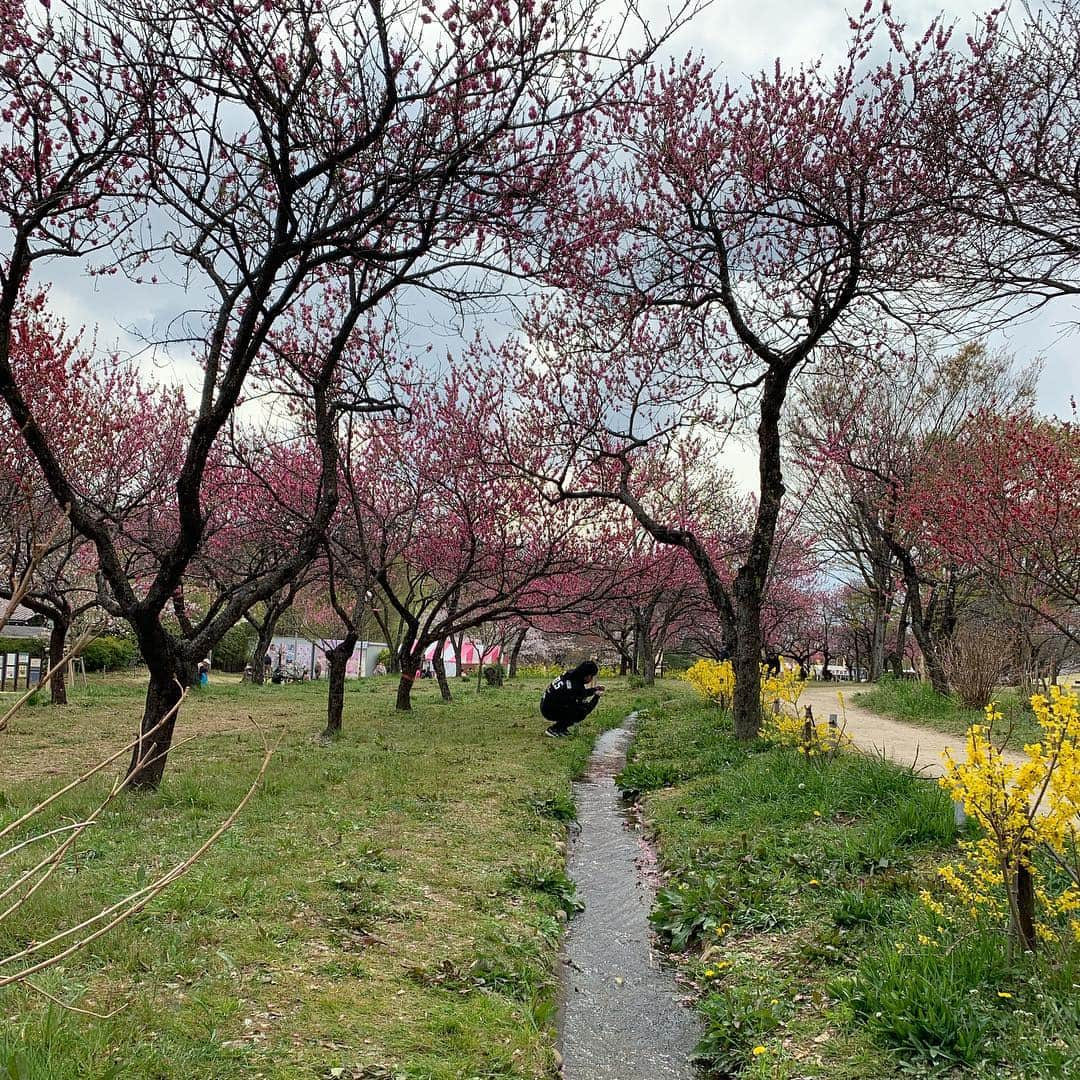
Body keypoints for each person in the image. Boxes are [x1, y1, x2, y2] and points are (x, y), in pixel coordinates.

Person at [540, 661, 603, 738]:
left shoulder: (571, 674)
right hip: (549, 710)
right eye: (591, 676)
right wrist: (596, 697)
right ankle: (554, 729)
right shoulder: (574, 686)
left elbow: (581, 693)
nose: (591, 679)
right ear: (586, 675)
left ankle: (562, 728)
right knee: (580, 711)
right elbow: (586, 708)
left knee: (575, 706)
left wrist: (594, 690)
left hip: (545, 704)